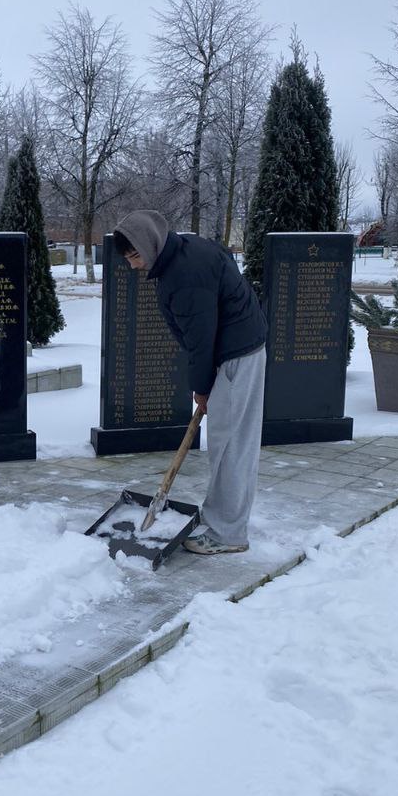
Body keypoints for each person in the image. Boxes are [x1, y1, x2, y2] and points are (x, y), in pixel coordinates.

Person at [113, 210, 267, 554]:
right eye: (128, 258)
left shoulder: (184, 276)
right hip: (239, 347)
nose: (133, 266)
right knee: (234, 443)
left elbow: (201, 339)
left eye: (135, 255)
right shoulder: (185, 250)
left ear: (151, 243)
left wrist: (202, 388)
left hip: (234, 357)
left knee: (230, 446)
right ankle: (227, 521)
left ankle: (227, 533)